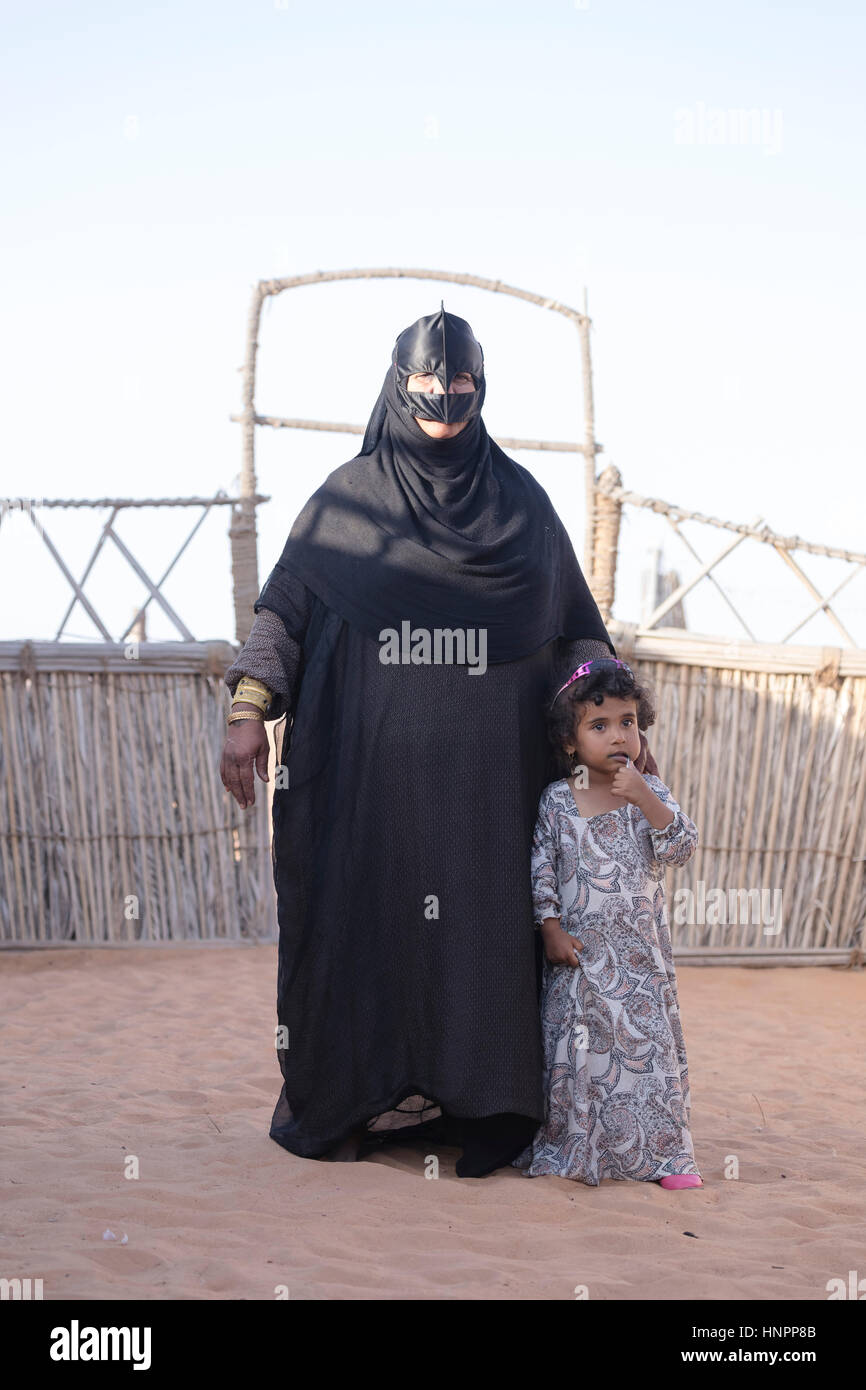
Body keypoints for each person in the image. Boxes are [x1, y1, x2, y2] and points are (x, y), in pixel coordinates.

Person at [219, 305, 659, 1177]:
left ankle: (487, 1113)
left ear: (481, 388)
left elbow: (576, 631)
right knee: (363, 930)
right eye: (426, 385)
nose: (443, 400)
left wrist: (617, 719)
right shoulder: (346, 505)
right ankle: (350, 1100)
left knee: (485, 939)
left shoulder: (524, 507)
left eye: (461, 386)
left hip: (490, 798)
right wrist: (246, 712)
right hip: (365, 794)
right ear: (396, 385)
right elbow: (283, 617)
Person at [512, 656, 703, 1188]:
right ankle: (580, 1153)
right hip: (581, 963)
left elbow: (682, 846)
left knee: (650, 1059)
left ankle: (667, 1159)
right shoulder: (557, 802)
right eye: (599, 726)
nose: (618, 736)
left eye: (628, 723)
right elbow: (541, 867)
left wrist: (646, 798)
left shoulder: (651, 794)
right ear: (570, 742)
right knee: (583, 1060)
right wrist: (548, 928)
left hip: (640, 962)